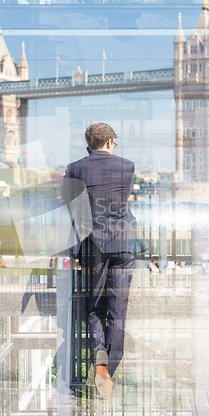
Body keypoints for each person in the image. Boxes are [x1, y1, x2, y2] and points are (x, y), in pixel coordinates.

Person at [61, 123, 147, 399]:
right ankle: (110, 365)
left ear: (90, 145)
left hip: (93, 244)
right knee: (118, 309)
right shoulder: (127, 166)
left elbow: (68, 202)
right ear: (110, 142)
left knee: (95, 303)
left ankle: (99, 351)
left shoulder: (75, 168)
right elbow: (122, 199)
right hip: (123, 242)